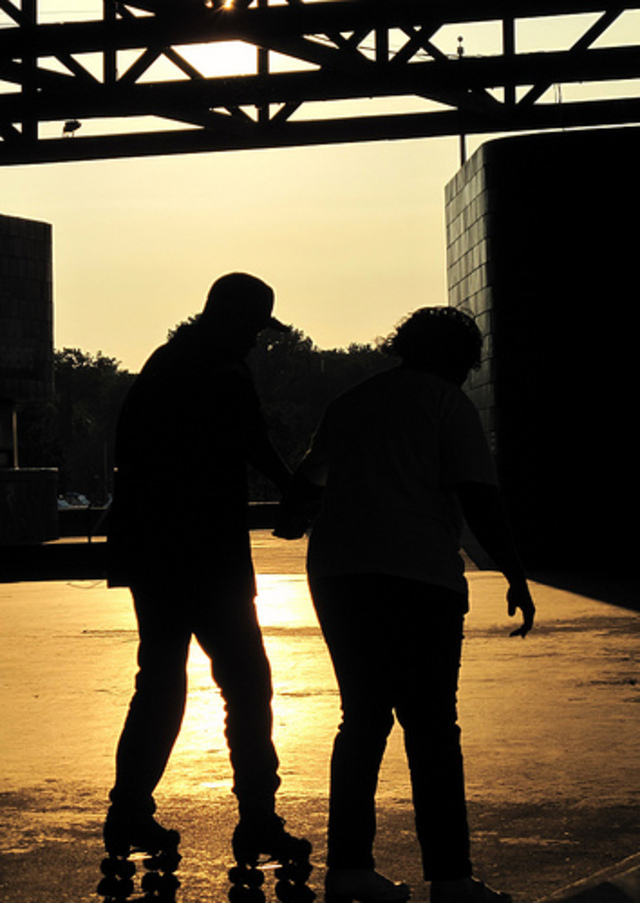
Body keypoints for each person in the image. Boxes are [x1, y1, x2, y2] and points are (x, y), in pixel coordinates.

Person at [275, 307, 535, 903]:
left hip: (339, 573)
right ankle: (450, 878)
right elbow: (478, 494)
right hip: (418, 575)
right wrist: (515, 573)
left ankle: (348, 869)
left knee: (362, 719)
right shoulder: (447, 404)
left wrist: (293, 516)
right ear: (457, 358)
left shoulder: (353, 401)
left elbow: (310, 478)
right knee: (432, 726)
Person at [104, 272, 305, 863]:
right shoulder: (221, 369)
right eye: (253, 326)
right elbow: (252, 442)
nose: (256, 340)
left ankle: (129, 812)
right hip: (205, 552)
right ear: (228, 315)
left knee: (160, 682)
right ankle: (258, 821)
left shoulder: (164, 362)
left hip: (151, 550)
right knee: (247, 682)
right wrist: (294, 491)